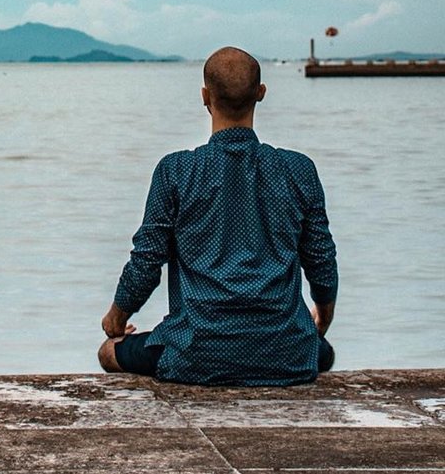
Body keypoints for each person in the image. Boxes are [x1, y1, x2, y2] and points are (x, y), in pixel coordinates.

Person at [99, 46, 337, 385]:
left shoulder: (176, 171)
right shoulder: (298, 169)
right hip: (287, 353)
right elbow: (321, 259)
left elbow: (147, 261)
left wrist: (116, 319)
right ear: (261, 93)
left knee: (108, 352)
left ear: (204, 96)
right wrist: (321, 320)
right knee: (322, 352)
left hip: (196, 352)